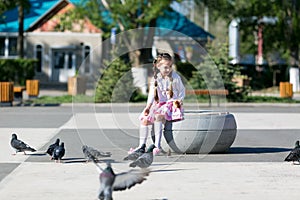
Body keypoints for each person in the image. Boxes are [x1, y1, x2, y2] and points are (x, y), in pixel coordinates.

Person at [129, 52, 185, 155]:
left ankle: (157, 146)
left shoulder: (175, 77)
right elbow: (151, 94)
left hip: (171, 104)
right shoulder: (156, 78)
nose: (168, 69)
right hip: (159, 104)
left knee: (158, 116)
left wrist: (179, 100)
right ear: (158, 66)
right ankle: (142, 145)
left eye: (170, 66)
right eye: (165, 67)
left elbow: (182, 90)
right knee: (145, 120)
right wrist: (148, 107)